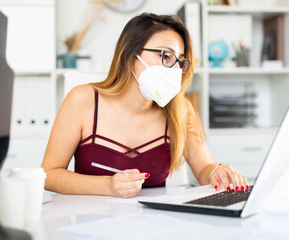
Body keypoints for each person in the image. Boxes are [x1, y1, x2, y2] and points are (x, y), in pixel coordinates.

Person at [41, 13, 249, 198]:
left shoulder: (182, 109)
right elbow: (49, 174)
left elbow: (204, 168)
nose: (174, 68)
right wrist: (107, 185)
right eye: (165, 56)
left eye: (180, 61)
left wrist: (216, 173)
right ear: (130, 55)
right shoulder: (82, 100)